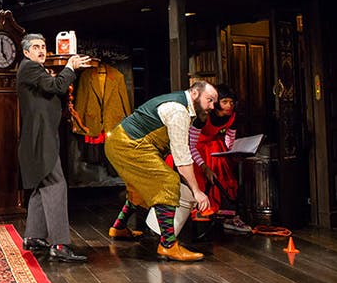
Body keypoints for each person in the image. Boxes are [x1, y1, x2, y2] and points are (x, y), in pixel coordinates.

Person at [103, 82, 217, 262]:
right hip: (127, 145)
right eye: (209, 100)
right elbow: (182, 157)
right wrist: (197, 192)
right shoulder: (179, 112)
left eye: (214, 102)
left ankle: (119, 227)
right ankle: (168, 245)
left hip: (123, 142)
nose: (212, 106)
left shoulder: (183, 107)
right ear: (195, 93)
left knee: (141, 186)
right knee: (167, 181)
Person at [17, 33, 91, 262]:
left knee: (43, 184)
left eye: (43, 46)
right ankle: (59, 244)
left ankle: (33, 236)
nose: (41, 50)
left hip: (40, 136)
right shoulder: (29, 67)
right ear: (26, 52)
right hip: (39, 138)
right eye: (36, 47)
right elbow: (57, 87)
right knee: (56, 185)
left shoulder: (34, 69)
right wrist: (69, 67)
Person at [186, 84, 251, 232]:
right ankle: (203, 216)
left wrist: (234, 152)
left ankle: (227, 216)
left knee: (225, 178)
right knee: (202, 181)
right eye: (225, 102)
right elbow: (191, 145)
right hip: (197, 150)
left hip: (215, 148)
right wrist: (204, 166)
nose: (229, 106)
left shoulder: (232, 117)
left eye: (231, 102)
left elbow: (230, 140)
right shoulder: (203, 117)